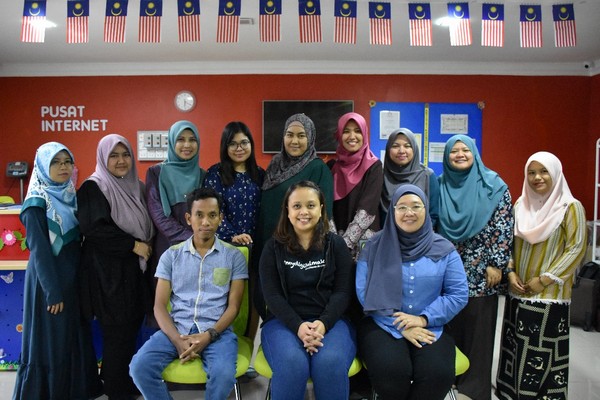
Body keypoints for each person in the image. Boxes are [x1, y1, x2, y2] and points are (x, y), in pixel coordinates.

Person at [130, 187, 248, 400]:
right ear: (188, 218)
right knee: (139, 367)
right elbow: (159, 306)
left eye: (212, 215)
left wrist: (209, 335)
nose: (206, 222)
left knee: (223, 375)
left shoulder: (233, 256)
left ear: (220, 218)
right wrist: (177, 340)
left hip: (217, 332)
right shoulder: (171, 256)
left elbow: (234, 307)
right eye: (199, 215)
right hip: (177, 328)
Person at [356, 184, 468, 400]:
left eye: (416, 206)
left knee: (437, 374)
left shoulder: (444, 248)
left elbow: (458, 293)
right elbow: (363, 290)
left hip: (430, 325)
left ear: (426, 209)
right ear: (393, 211)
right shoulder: (374, 245)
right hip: (383, 323)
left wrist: (423, 319)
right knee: (392, 373)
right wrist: (400, 324)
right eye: (402, 207)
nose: (409, 213)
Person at [13, 142, 102, 400]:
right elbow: (40, 252)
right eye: (55, 162)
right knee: (52, 340)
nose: (63, 167)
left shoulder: (71, 195)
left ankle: (76, 390)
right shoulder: (35, 203)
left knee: (71, 335)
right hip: (49, 282)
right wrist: (53, 292)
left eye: (67, 162)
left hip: (72, 280)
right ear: (42, 166)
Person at [496, 152, 587, 400]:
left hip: (549, 295)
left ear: (556, 173)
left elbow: (577, 248)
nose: (537, 177)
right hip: (518, 291)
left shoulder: (570, 207)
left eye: (544, 171)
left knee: (542, 351)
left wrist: (545, 279)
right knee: (516, 345)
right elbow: (508, 243)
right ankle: (511, 393)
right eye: (532, 172)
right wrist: (510, 272)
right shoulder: (520, 205)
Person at [259, 180, 355, 400]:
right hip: (283, 322)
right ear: (287, 210)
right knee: (292, 364)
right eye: (297, 206)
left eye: (311, 205)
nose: (304, 212)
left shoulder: (336, 245)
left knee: (329, 363)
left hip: (331, 321)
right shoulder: (272, 248)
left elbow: (342, 293)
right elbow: (272, 296)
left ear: (321, 209)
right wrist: (298, 326)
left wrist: (323, 323)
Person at [78, 134, 155, 400]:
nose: (121, 161)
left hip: (132, 273)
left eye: (125, 155)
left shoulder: (136, 187)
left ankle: (124, 381)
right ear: (103, 158)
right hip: (108, 275)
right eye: (114, 155)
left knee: (130, 330)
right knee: (117, 333)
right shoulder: (94, 187)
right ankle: (116, 388)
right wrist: (133, 245)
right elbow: (94, 229)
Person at [437, 134, 514, 400]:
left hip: (483, 270)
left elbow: (503, 227)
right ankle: (450, 378)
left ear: (474, 153)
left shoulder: (494, 185)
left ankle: (475, 385)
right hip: (448, 268)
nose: (460, 154)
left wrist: (497, 263)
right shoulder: (439, 185)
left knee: (479, 329)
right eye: (454, 151)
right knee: (450, 325)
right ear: (446, 156)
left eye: (465, 150)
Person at [255, 113, 334, 317]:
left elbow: (325, 214)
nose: (294, 141)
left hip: (295, 250)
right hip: (266, 243)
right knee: (267, 298)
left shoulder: (318, 168)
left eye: (301, 135)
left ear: (311, 138)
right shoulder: (274, 165)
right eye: (289, 134)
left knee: (290, 302)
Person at [146, 120, 206, 274]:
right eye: (180, 139)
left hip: (199, 247)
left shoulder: (203, 175)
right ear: (172, 142)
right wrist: (189, 238)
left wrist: (199, 241)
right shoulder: (156, 173)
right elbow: (157, 213)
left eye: (192, 140)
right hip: (168, 245)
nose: (187, 145)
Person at [329, 112, 383, 259]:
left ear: (364, 134)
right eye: (346, 131)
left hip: (363, 243)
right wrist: (334, 242)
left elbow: (368, 209)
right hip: (335, 242)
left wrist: (345, 244)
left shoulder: (374, 166)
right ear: (339, 135)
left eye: (358, 131)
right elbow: (326, 207)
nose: (352, 136)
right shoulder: (332, 167)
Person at [204, 121, 265, 245]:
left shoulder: (260, 174)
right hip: (226, 243)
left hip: (257, 243)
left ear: (251, 144)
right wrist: (233, 236)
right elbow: (212, 210)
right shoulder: (215, 174)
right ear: (225, 147)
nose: (239, 148)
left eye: (244, 143)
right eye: (233, 144)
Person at [380, 128, 440, 227]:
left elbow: (433, 214)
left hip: (420, 234)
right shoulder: (380, 175)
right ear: (388, 149)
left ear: (414, 149)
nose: (401, 151)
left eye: (407, 146)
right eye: (395, 146)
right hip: (385, 234)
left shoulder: (427, 175)